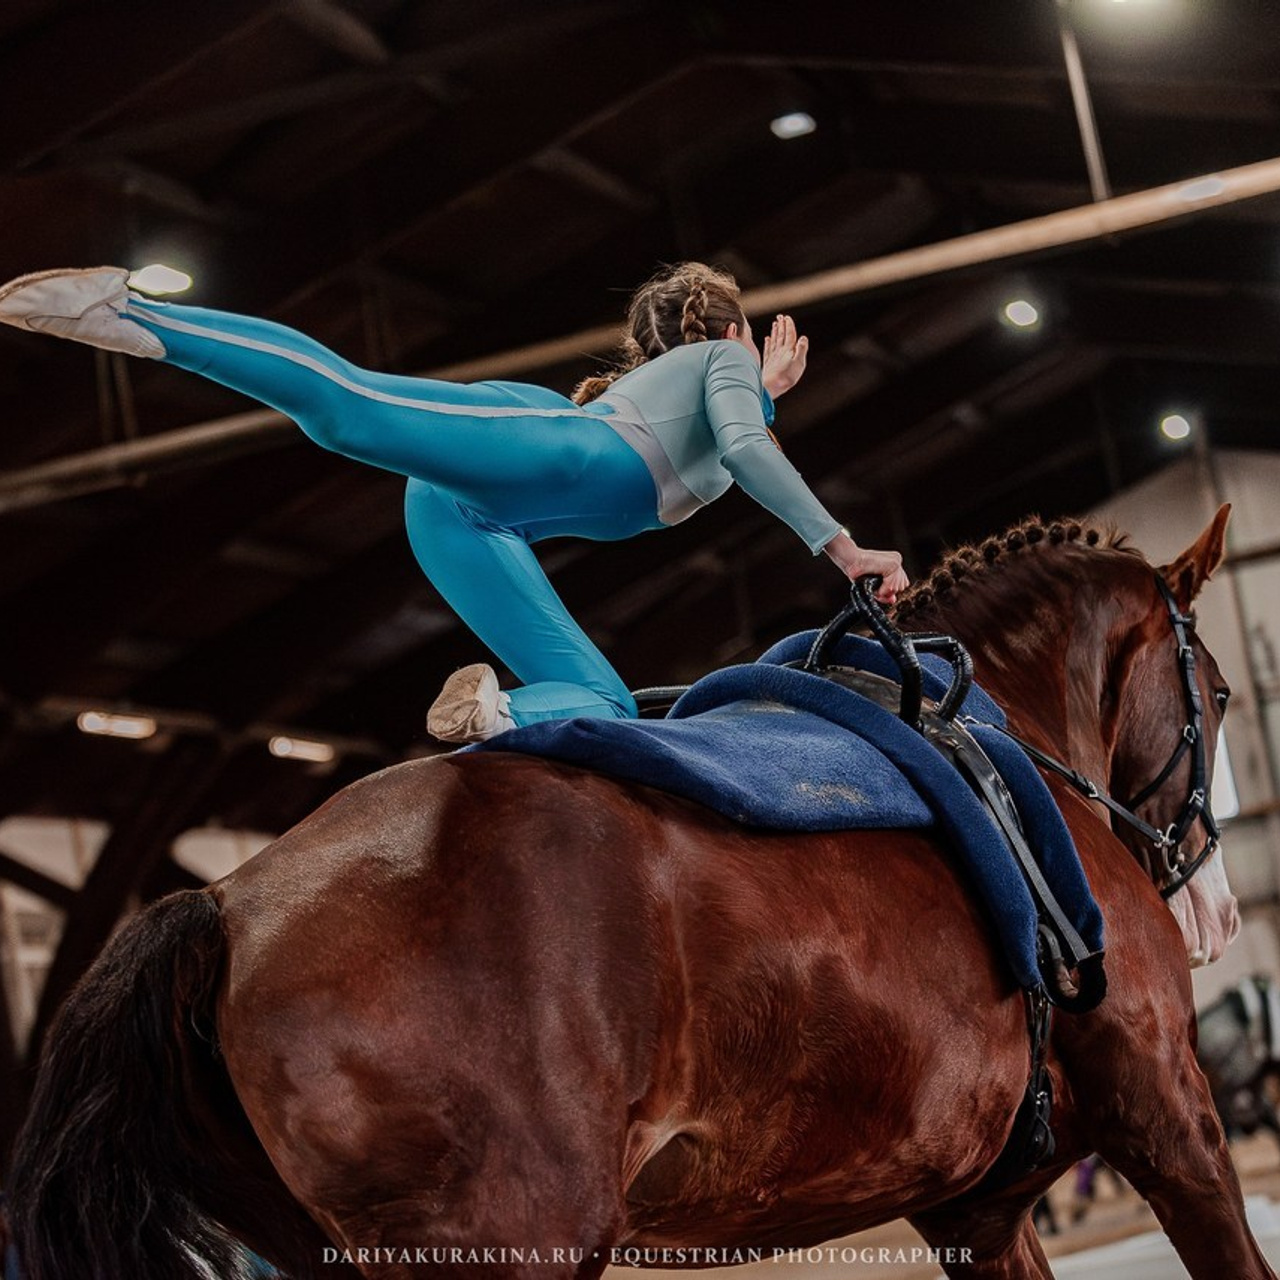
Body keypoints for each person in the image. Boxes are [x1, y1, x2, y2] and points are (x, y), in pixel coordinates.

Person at [0, 262, 908, 742]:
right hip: (553, 444)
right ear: (731, 332)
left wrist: (770, 391)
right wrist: (845, 548)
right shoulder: (722, 365)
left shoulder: (719, 392)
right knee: (348, 410)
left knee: (607, 701)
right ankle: (134, 313)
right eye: (750, 347)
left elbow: (737, 438)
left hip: (473, 521)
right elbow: (746, 445)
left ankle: (497, 715)